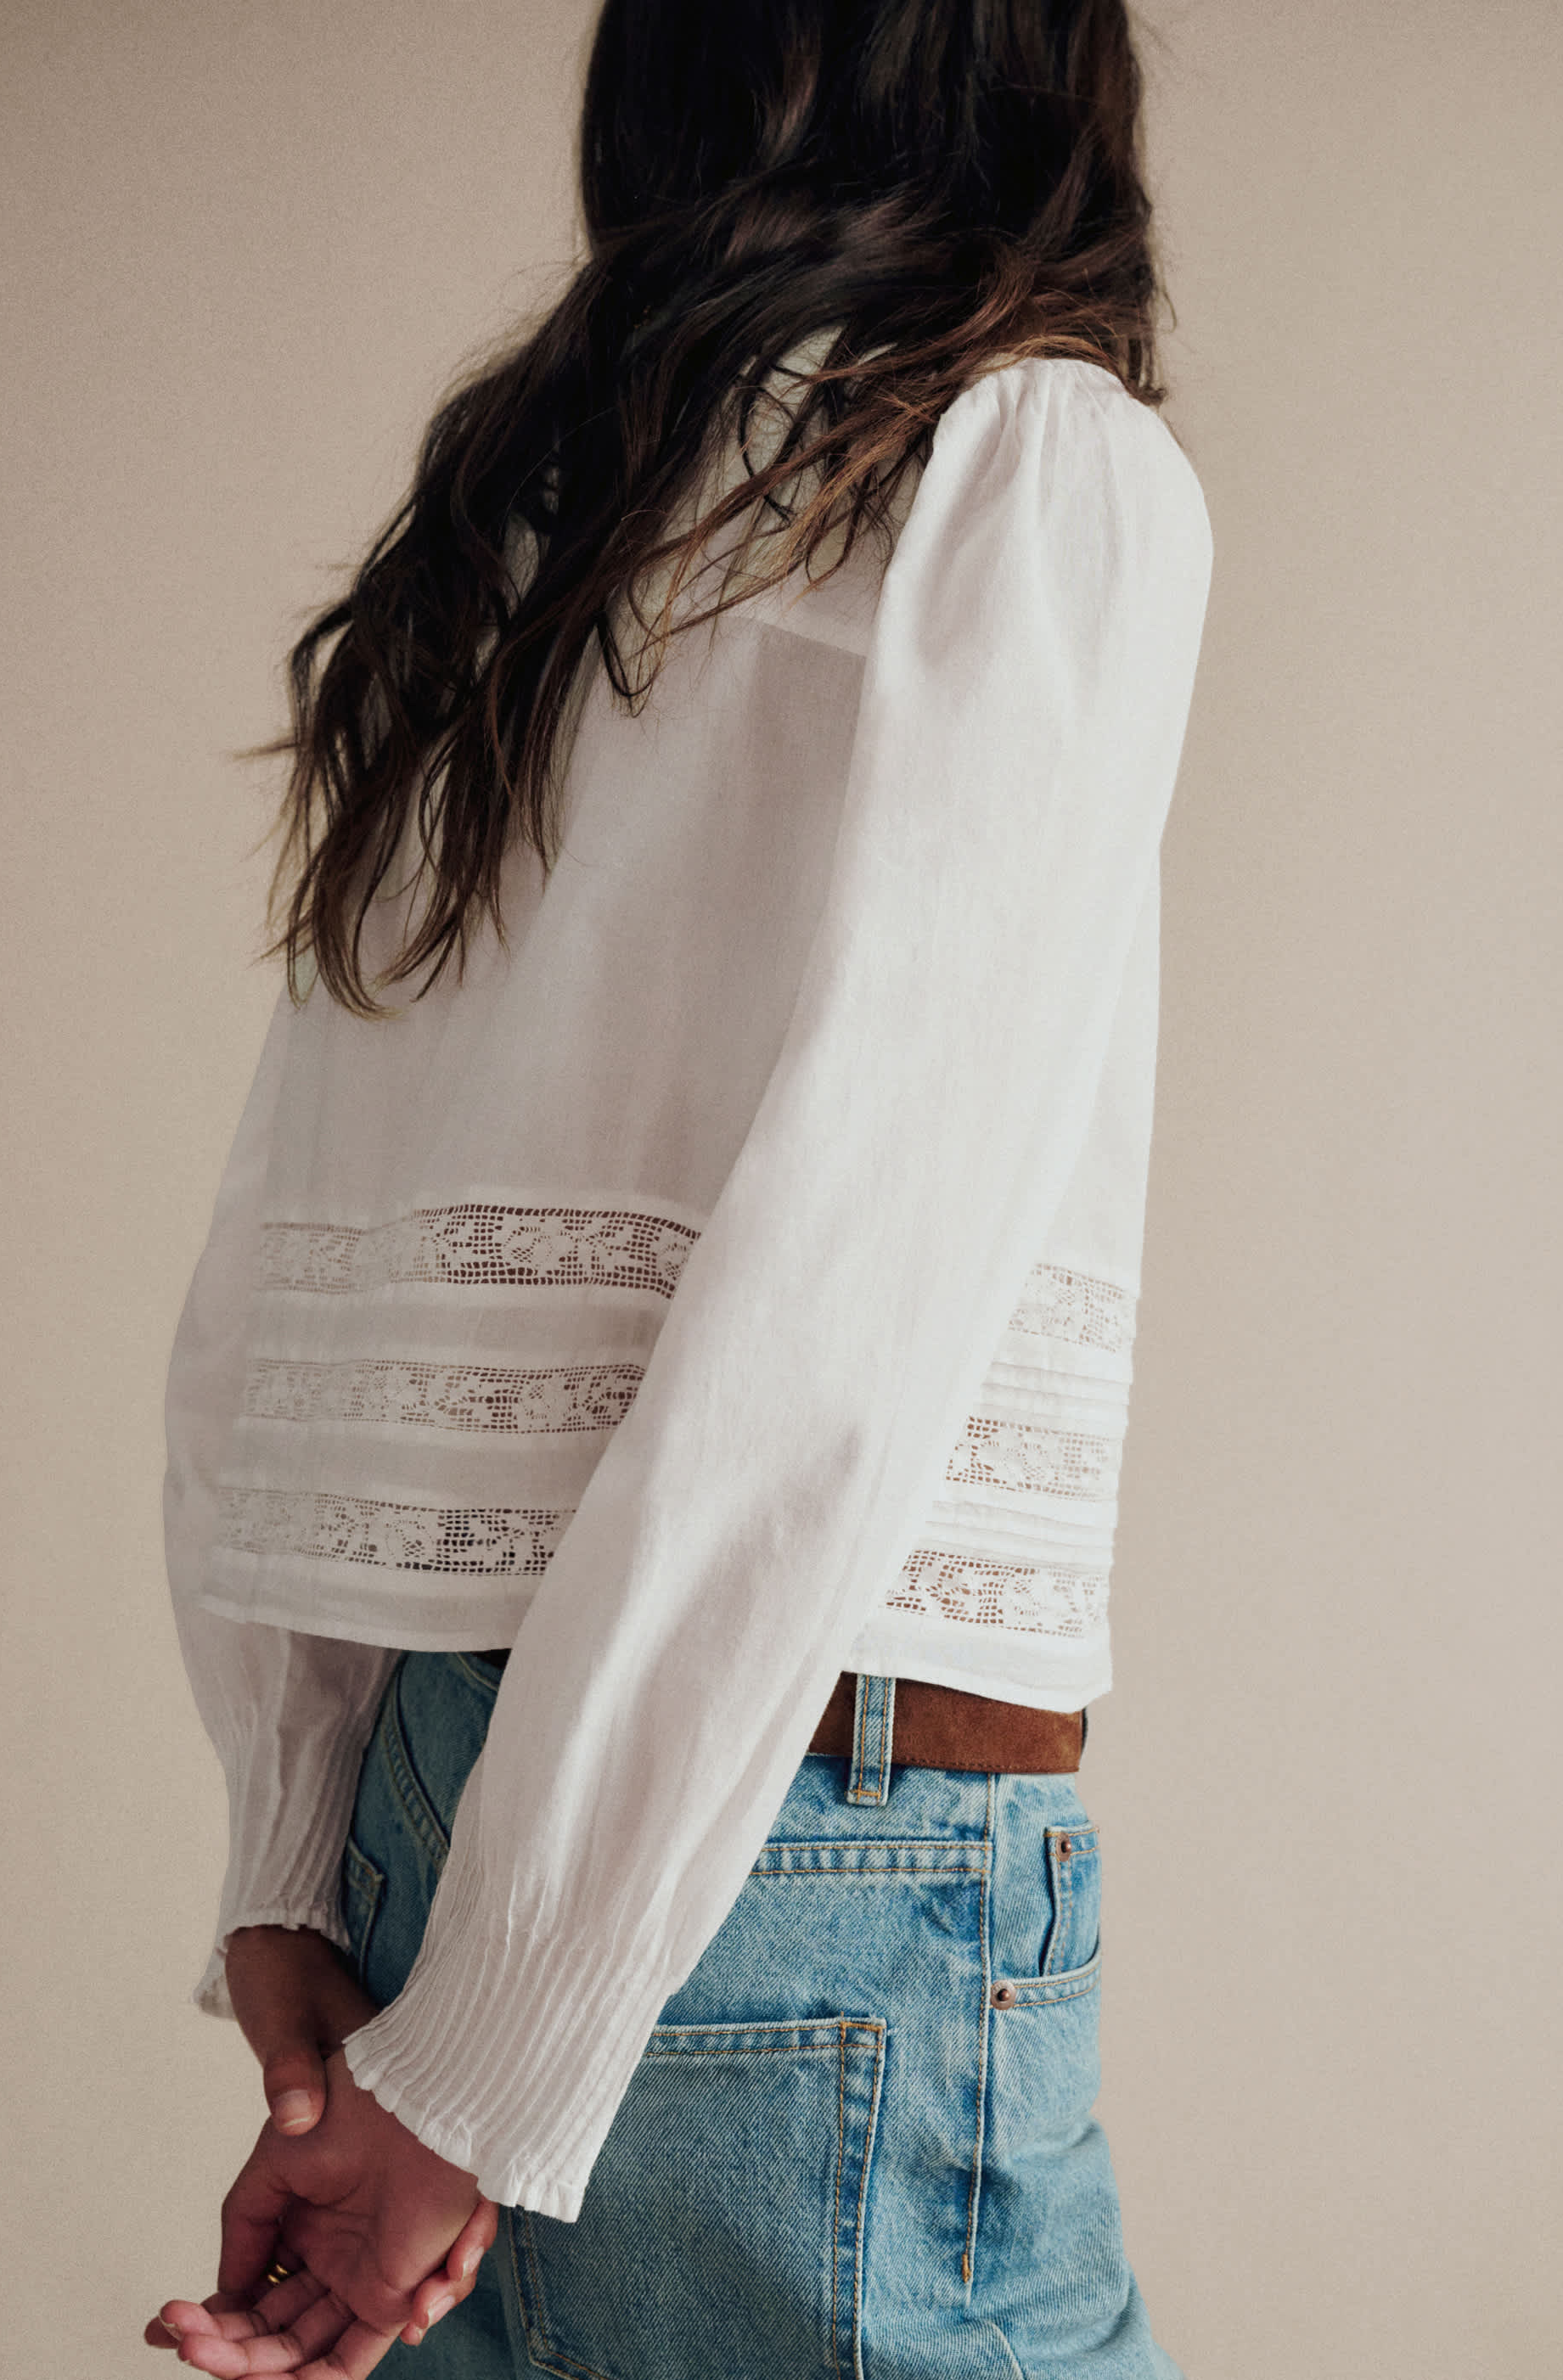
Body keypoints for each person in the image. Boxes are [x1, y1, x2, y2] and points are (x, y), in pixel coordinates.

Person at [145, 3, 1213, 2373]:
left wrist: (296, 1843)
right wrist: (502, 2042)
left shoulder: (526, 520)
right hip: (777, 1838)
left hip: (439, 1829)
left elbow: (288, 1237)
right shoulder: (1028, 461)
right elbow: (853, 1293)